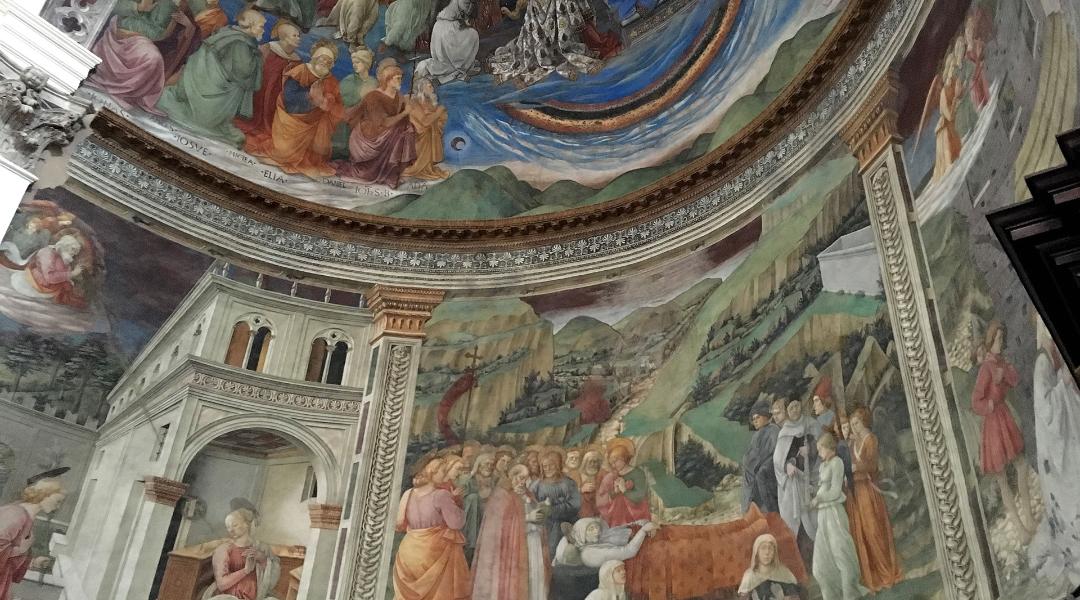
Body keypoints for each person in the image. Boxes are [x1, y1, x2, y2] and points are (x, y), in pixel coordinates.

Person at [157, 9, 267, 147]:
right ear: (250, 25)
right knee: (236, 89)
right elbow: (243, 73)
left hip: (205, 82)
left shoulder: (229, 33)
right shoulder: (241, 44)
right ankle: (210, 119)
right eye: (261, 26)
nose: (263, 30)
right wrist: (260, 57)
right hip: (215, 92)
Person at [1029, 317, 1080, 586]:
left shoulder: (1050, 363)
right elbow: (1047, 410)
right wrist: (1065, 382)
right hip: (1065, 452)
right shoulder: (1043, 364)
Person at [972, 321, 1035, 537]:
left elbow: (1015, 381)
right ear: (990, 342)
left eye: (1002, 339)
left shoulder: (1000, 363)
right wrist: (990, 404)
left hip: (1005, 417)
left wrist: (1005, 371)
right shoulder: (985, 368)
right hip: (993, 424)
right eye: (998, 339)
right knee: (1002, 478)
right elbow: (976, 401)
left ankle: (1028, 517)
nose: (1001, 342)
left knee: (1021, 465)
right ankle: (1020, 529)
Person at [250, 40, 344, 178]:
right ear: (314, 57)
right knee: (284, 151)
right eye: (322, 58)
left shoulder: (331, 81)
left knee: (318, 147)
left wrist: (327, 103)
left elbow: (338, 106)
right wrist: (310, 98)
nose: (325, 62)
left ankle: (307, 160)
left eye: (329, 61)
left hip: (314, 123)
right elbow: (289, 99)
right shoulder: (301, 71)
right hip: (291, 119)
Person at [88, 0, 187, 113]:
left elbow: (159, 33)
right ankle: (106, 81)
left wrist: (136, 27)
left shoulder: (167, 5)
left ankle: (125, 92)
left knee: (153, 57)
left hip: (140, 40)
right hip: (115, 33)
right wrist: (137, 7)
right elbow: (111, 6)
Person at [393, 458, 471, 600]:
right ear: (432, 473)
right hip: (435, 552)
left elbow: (399, 524)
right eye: (443, 471)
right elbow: (456, 523)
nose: (445, 475)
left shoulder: (408, 493)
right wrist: (456, 501)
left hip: (408, 552)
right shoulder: (441, 495)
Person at [471, 464, 550, 600]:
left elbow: (534, 509)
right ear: (512, 476)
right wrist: (528, 517)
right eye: (520, 478)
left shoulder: (527, 493)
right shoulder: (501, 495)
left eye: (526, 478)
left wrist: (541, 510)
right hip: (511, 548)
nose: (523, 482)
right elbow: (500, 523)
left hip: (532, 542)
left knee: (533, 579)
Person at [336, 59, 418, 188]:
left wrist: (407, 108)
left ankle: (392, 173)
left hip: (385, 131)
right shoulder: (374, 97)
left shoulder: (399, 96)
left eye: (400, 78)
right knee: (398, 133)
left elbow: (402, 119)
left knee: (407, 129)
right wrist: (404, 113)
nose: (400, 81)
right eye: (397, 78)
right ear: (388, 80)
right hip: (369, 135)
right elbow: (383, 123)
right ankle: (389, 174)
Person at [846, 407, 902, 591]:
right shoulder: (853, 442)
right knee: (861, 533)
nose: (854, 427)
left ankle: (886, 573)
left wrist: (857, 467)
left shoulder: (870, 439)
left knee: (874, 531)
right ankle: (873, 577)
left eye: (857, 423)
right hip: (856, 493)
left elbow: (872, 465)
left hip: (868, 491)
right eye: (852, 424)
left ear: (864, 422)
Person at [489, 0, 604, 87]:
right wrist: (508, 12)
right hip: (539, 42)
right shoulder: (530, 2)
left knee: (566, 46)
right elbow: (516, 14)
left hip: (559, 39)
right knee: (529, 57)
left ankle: (562, 54)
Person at [810, 433, 866, 600]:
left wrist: (818, 498)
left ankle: (850, 595)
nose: (819, 452)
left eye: (821, 449)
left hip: (834, 513)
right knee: (819, 566)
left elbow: (835, 492)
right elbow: (823, 488)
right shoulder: (823, 465)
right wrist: (814, 495)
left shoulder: (837, 463)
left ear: (829, 447)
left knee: (841, 553)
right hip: (823, 515)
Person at [236, 19, 303, 144]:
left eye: (299, 36)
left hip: (278, 94)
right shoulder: (269, 48)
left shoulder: (296, 59)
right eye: (294, 36)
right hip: (260, 87)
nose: (298, 39)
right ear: (283, 37)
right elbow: (254, 64)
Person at [773, 400, 821, 569]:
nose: (794, 410)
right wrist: (788, 464)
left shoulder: (811, 424)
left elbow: (825, 445)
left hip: (813, 479)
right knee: (798, 523)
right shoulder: (785, 432)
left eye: (797, 406)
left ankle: (820, 561)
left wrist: (812, 449)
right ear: (787, 410)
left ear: (801, 406)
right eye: (791, 407)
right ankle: (804, 566)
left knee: (814, 520)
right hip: (794, 485)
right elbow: (778, 461)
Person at [0, 477, 65, 600]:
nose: (58, 507)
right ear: (44, 494)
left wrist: (33, 562)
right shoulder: (15, 515)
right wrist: (21, 549)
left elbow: (11, 553)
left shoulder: (27, 515)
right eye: (57, 501)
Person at [201, 509, 281, 600]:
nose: (231, 530)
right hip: (230, 597)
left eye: (235, 525)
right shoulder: (224, 549)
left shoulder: (261, 547)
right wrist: (245, 571)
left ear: (246, 524)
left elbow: (271, 580)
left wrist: (263, 559)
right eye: (228, 527)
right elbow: (221, 584)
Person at [530, 450, 581, 560]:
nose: (548, 469)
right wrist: (540, 510)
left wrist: (553, 510)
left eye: (551, 465)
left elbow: (575, 504)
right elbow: (530, 503)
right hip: (544, 524)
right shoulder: (536, 485)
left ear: (558, 465)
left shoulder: (568, 483)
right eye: (545, 466)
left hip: (564, 523)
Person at [416, 0, 479, 84]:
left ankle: (450, 66)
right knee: (473, 34)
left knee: (443, 61)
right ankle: (460, 67)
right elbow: (465, 7)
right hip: (448, 31)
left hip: (438, 28)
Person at [554, 517, 656, 568]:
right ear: (581, 535)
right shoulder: (588, 554)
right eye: (591, 529)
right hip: (637, 562)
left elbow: (625, 525)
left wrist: (642, 523)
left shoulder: (596, 540)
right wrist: (643, 531)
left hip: (640, 543)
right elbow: (629, 551)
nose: (597, 531)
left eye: (596, 526)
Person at [401, 77, 449, 181]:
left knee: (427, 153)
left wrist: (439, 116)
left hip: (428, 133)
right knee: (420, 155)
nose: (433, 88)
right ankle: (418, 170)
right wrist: (438, 112)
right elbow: (424, 121)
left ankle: (427, 169)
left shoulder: (428, 101)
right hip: (419, 135)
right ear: (422, 88)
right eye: (429, 86)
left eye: (432, 86)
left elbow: (437, 119)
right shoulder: (413, 101)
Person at [596, 438, 650, 527]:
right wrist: (615, 492)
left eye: (616, 461)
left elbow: (640, 496)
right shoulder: (613, 475)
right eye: (611, 463)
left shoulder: (638, 473)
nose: (614, 465)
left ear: (624, 458)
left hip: (636, 515)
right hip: (617, 515)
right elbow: (605, 496)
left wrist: (624, 490)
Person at [743, 400, 780, 514]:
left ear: (766, 416)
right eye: (753, 419)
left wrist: (755, 463)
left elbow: (773, 451)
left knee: (760, 474)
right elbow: (751, 453)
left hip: (770, 465)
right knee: (747, 475)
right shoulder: (756, 435)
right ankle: (751, 510)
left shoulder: (773, 430)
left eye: (757, 417)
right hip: (756, 465)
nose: (755, 421)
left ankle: (771, 510)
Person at [736, 533, 800, 600]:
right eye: (763, 548)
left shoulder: (784, 573)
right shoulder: (749, 576)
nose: (767, 552)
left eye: (770, 548)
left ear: (774, 552)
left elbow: (794, 597)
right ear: (757, 552)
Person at [463, 452, 497, 558]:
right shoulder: (471, 479)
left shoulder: (494, 481)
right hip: (473, 518)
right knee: (473, 498)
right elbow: (462, 497)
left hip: (490, 517)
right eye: (486, 464)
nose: (489, 467)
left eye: (491, 465)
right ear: (479, 465)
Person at [576, 449, 606, 518]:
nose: (592, 464)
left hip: (599, 511)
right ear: (585, 463)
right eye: (590, 462)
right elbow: (568, 494)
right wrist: (581, 490)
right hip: (581, 513)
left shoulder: (602, 475)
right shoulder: (577, 475)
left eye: (595, 462)